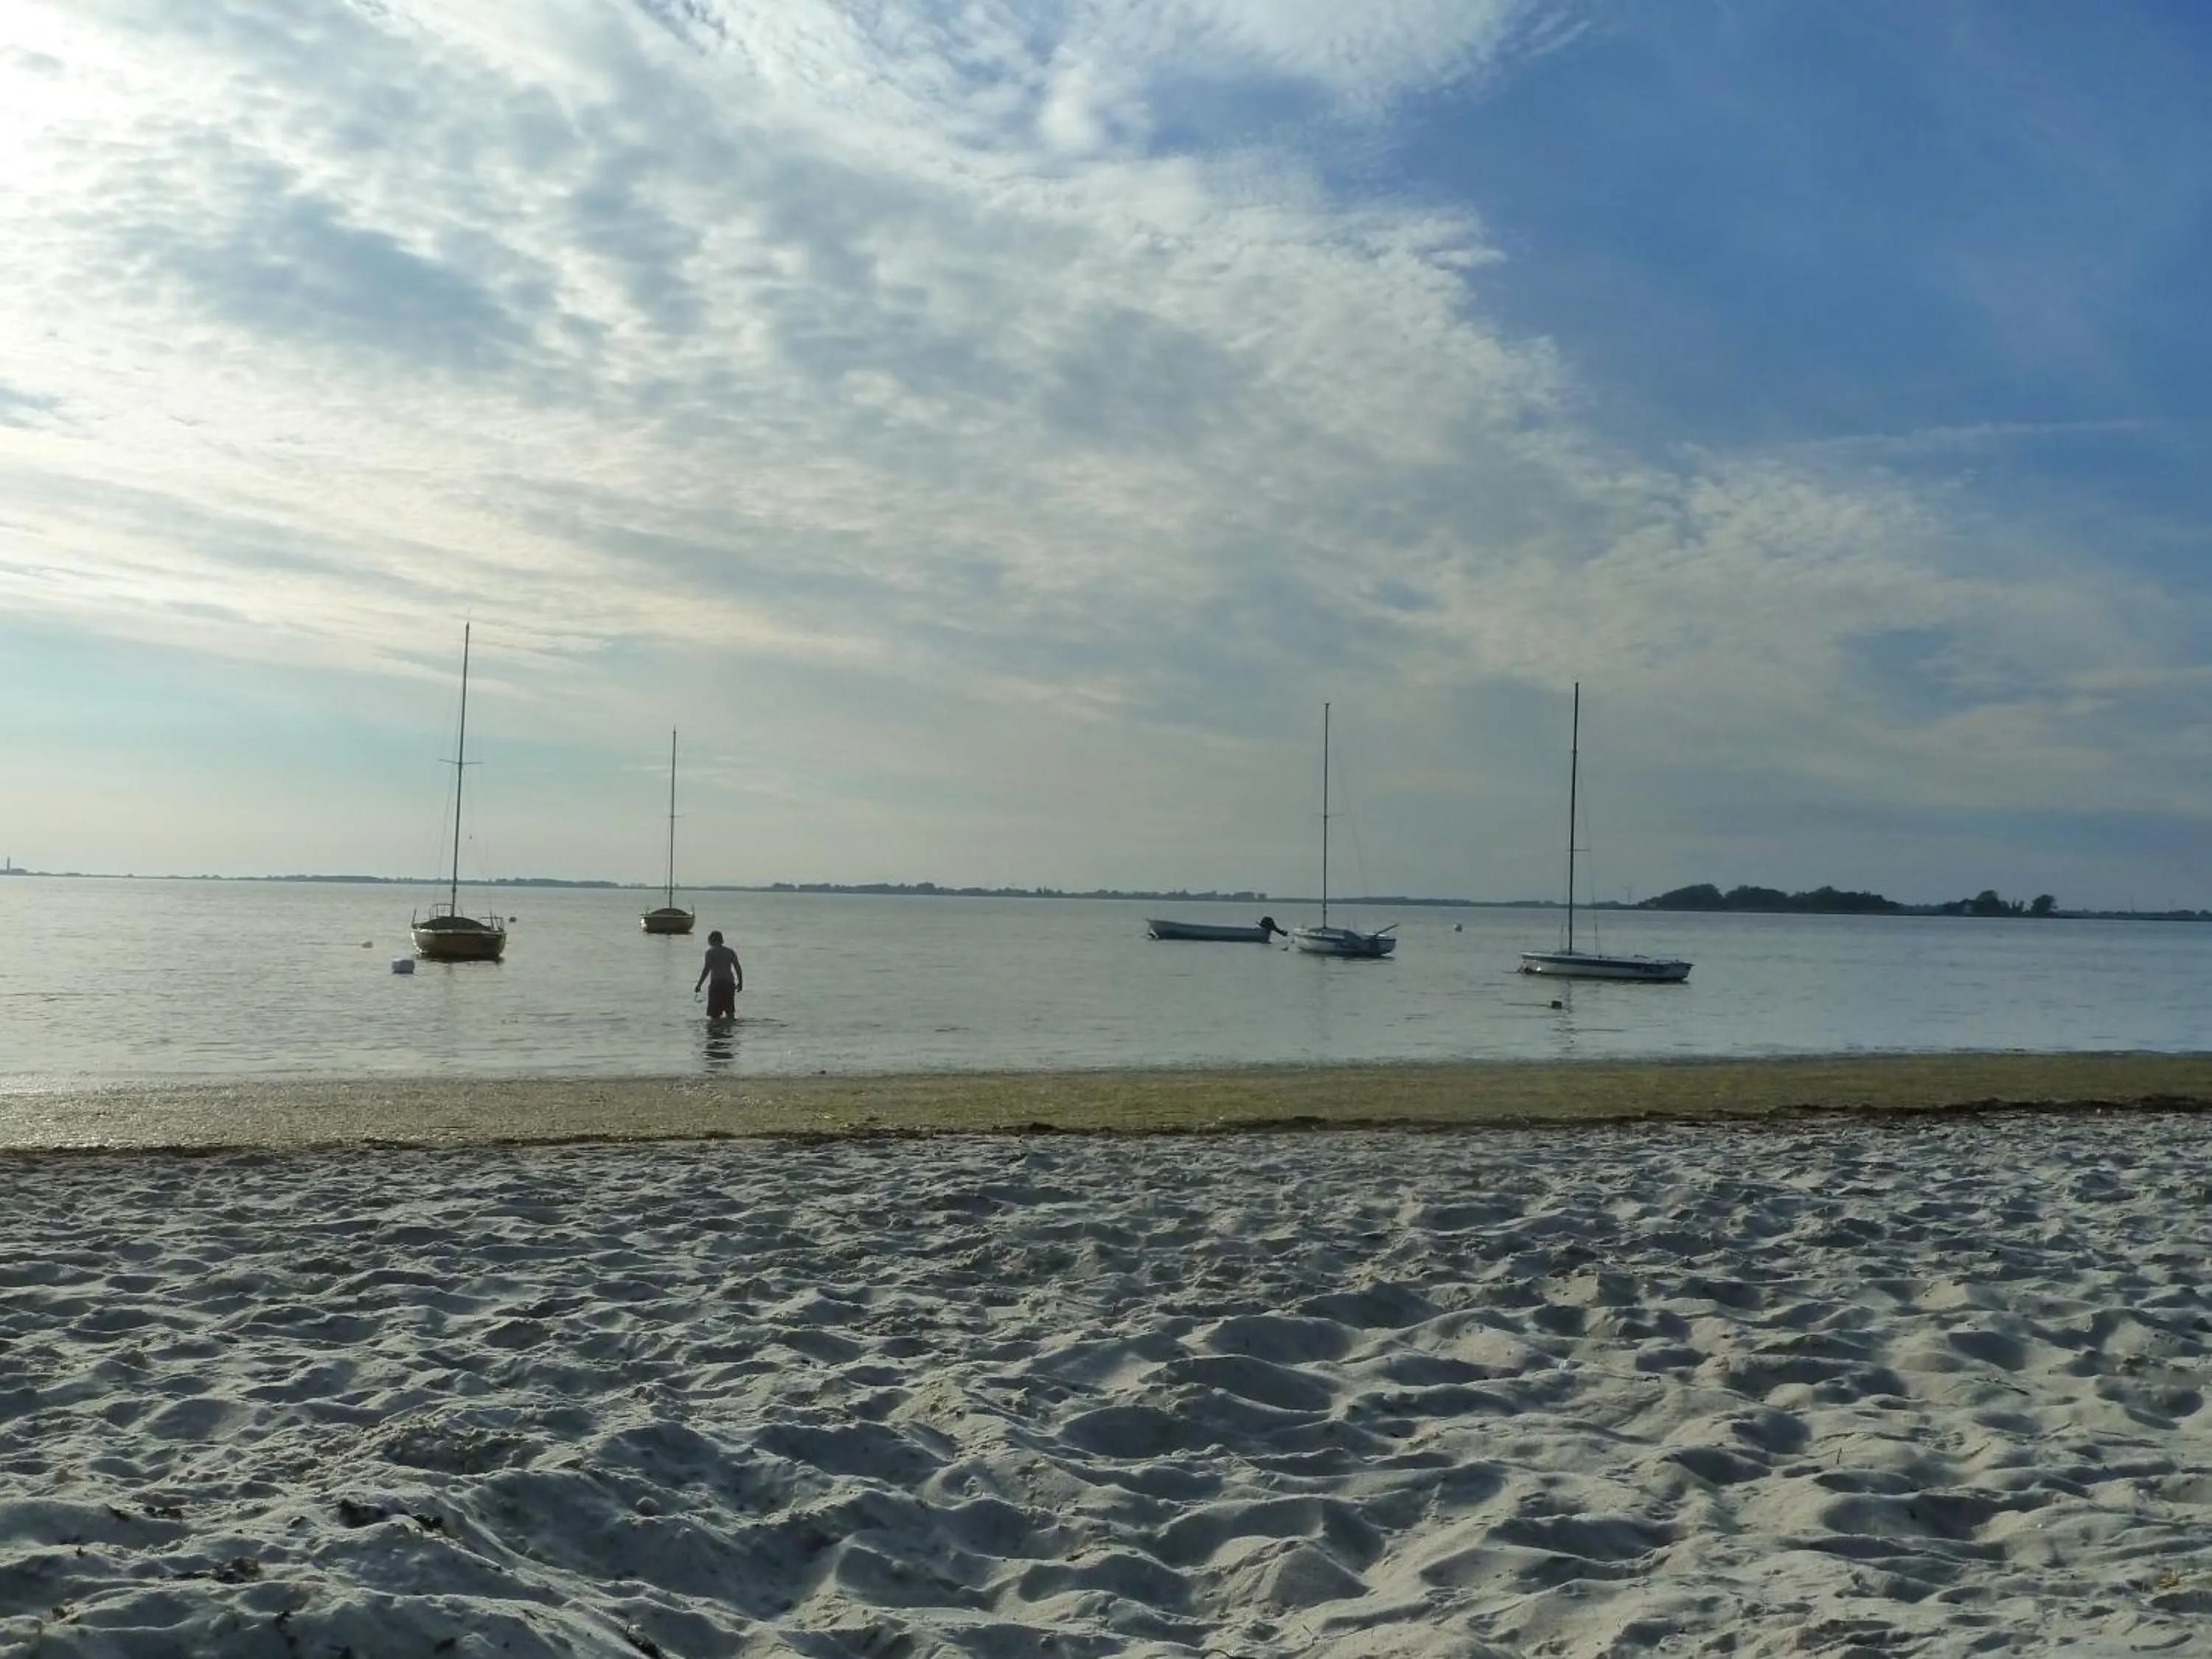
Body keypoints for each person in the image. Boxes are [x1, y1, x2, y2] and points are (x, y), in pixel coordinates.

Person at [695, 929, 742, 1018]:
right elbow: (738, 968)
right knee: (730, 1012)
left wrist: (699, 985)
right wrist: (740, 982)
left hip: (717, 984)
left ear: (711, 941)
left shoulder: (710, 953)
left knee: (714, 1015)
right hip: (729, 984)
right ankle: (729, 1031)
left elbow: (707, 969)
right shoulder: (730, 952)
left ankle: (716, 1030)